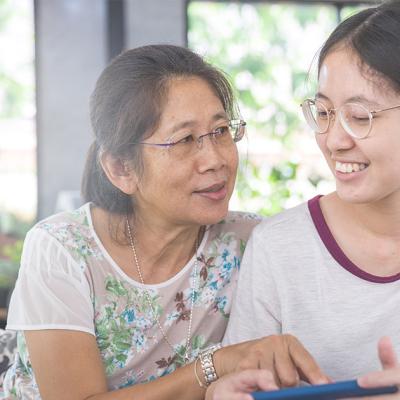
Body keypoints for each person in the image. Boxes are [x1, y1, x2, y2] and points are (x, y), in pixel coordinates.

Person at [3, 45, 327, 399]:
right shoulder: (63, 250)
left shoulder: (249, 242)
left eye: (220, 131)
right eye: (185, 140)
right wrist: (215, 365)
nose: (215, 160)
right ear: (121, 169)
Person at [223, 0, 400, 390]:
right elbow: (240, 385)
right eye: (323, 113)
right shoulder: (279, 248)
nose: (334, 140)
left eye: (359, 117)